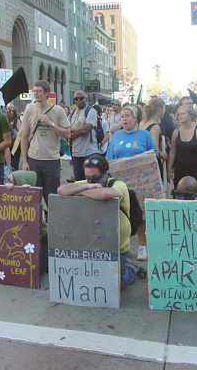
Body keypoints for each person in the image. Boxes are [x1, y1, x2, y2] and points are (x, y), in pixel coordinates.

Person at [57, 156, 146, 289]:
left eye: (95, 177)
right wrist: (89, 186)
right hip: (92, 243)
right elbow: (61, 190)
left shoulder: (118, 184)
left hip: (117, 245)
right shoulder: (87, 183)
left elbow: (105, 195)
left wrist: (81, 191)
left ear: (104, 173)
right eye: (87, 176)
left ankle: (131, 269)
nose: (91, 179)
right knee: (92, 280)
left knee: (114, 286)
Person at [106, 105, 156, 261]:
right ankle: (122, 246)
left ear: (135, 118)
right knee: (120, 213)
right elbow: (109, 158)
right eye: (122, 116)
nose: (124, 119)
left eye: (127, 116)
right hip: (121, 183)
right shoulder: (117, 136)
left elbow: (152, 156)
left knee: (139, 215)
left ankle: (142, 247)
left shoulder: (145, 135)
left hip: (140, 182)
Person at [19, 80, 70, 204]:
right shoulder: (29, 109)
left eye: (39, 91)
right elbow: (24, 136)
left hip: (51, 159)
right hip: (34, 158)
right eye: (34, 91)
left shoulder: (58, 110)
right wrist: (24, 161)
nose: (35, 94)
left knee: (51, 195)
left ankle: (50, 221)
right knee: (35, 195)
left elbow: (67, 134)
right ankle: (38, 221)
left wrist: (50, 123)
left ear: (46, 93)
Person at [167, 104, 197, 192]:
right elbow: (173, 152)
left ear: (191, 115)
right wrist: (169, 170)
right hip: (180, 170)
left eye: (183, 114)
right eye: (179, 114)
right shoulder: (176, 132)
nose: (180, 116)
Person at [68, 90, 99, 181]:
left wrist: (72, 131)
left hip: (89, 152)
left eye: (81, 98)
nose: (78, 100)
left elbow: (85, 130)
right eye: (76, 99)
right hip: (76, 153)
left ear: (86, 98)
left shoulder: (91, 111)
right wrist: (79, 130)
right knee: (79, 181)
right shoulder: (72, 114)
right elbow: (66, 133)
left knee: (91, 180)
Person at [140, 98, 168, 173]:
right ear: (160, 109)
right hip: (153, 162)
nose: (165, 111)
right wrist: (163, 155)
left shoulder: (142, 123)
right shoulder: (155, 127)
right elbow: (155, 148)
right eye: (164, 108)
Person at [6, 106, 22, 170]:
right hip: (16, 143)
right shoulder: (17, 120)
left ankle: (9, 170)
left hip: (7, 142)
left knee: (8, 158)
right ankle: (14, 172)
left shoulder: (6, 120)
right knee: (15, 159)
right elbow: (20, 131)